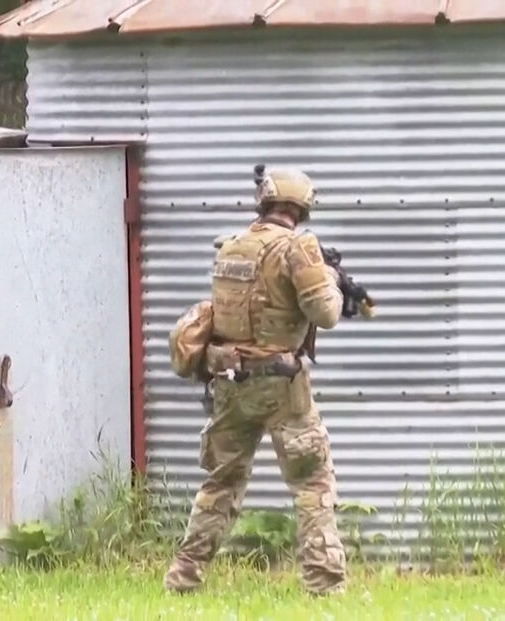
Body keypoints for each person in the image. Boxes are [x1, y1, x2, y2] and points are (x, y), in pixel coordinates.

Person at [163, 166, 347, 596]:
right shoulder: (298, 247)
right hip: (282, 387)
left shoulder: (231, 246)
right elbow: (327, 314)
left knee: (220, 484)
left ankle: (183, 577)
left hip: (230, 382)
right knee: (313, 483)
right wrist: (333, 283)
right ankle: (324, 586)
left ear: (265, 201)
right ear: (301, 206)